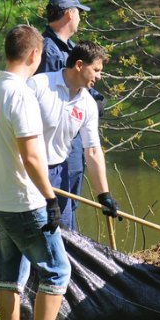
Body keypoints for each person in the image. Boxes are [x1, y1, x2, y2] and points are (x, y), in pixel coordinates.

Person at [0, 24, 71, 320]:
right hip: (23, 200)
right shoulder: (22, 95)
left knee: (11, 271)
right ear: (34, 54)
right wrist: (50, 197)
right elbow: (31, 157)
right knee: (57, 271)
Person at [28, 40, 119, 227]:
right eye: (96, 70)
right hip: (28, 171)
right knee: (29, 232)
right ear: (79, 65)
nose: (99, 76)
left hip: (59, 173)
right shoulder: (38, 85)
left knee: (65, 235)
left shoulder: (88, 103)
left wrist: (104, 194)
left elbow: (92, 150)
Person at [35, 0, 105, 229]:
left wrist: (95, 99)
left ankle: (66, 244)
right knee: (59, 203)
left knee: (69, 201)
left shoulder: (70, 47)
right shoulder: (48, 50)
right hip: (57, 144)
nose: (80, 18)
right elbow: (52, 99)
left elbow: (78, 86)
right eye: (79, 13)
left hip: (72, 139)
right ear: (69, 14)